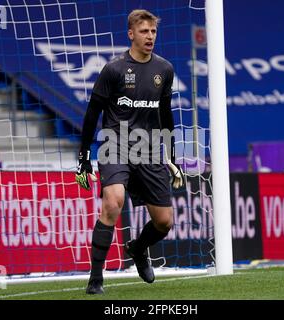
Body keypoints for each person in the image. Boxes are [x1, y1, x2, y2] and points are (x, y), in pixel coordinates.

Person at [75, 9, 185, 295]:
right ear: (131, 34)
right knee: (113, 202)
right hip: (115, 145)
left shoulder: (165, 70)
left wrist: (171, 155)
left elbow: (165, 114)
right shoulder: (113, 70)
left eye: (153, 32)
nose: (150, 37)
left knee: (164, 222)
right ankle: (96, 279)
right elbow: (92, 113)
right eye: (144, 31)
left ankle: (138, 248)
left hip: (149, 150)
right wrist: (84, 156)